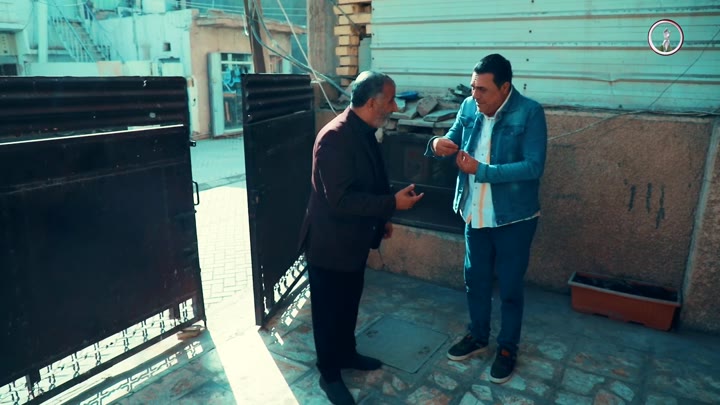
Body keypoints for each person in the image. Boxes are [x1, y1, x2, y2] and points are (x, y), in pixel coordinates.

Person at [299, 71, 424, 404]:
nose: (396, 107)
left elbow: (372, 180)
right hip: (329, 244)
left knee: (348, 303)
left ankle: (346, 353)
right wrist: (391, 204)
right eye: (391, 100)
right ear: (372, 103)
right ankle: (329, 374)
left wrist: (382, 219)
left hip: (353, 240)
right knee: (328, 313)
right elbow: (340, 200)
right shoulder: (334, 137)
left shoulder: (364, 130)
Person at [425, 54, 547, 384]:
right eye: (472, 87)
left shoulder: (530, 112)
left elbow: (534, 166)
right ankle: (478, 336)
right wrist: (437, 144)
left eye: (482, 89)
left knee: (510, 287)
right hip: (474, 212)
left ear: (505, 88)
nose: (474, 95)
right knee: (475, 280)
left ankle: (507, 347)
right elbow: (452, 136)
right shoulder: (469, 106)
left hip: (514, 218)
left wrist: (483, 171)